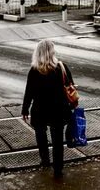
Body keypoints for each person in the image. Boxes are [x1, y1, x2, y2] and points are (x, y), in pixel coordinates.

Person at [21, 38, 74, 178]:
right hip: (59, 109)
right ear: (52, 52)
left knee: (40, 134)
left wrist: (25, 109)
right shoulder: (62, 67)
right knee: (57, 140)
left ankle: (45, 160)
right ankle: (58, 169)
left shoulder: (34, 70)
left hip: (40, 109)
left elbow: (29, 92)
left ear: (37, 53)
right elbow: (71, 86)